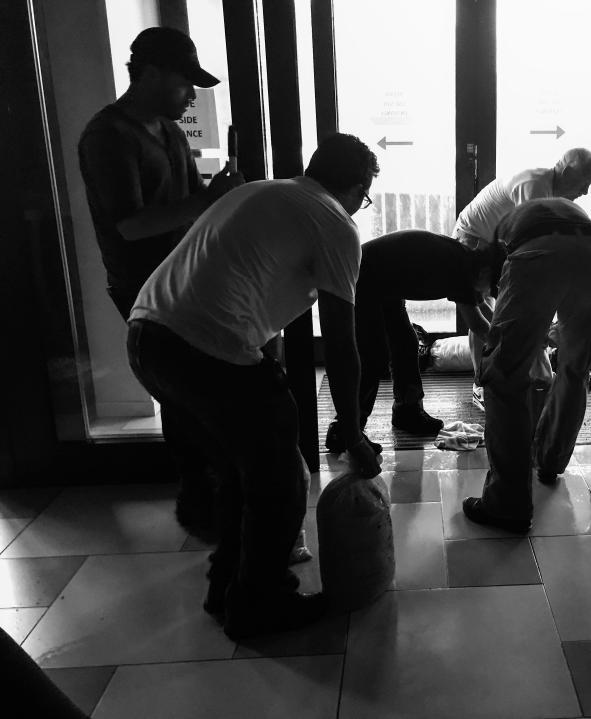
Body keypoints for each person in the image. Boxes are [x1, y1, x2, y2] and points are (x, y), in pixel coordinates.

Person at [126, 133, 382, 639]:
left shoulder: (261, 192)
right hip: (205, 346)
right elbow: (340, 345)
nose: (361, 206)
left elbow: (248, 279)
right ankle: (258, 607)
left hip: (145, 338)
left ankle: (227, 588)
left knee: (241, 472)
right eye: (365, 196)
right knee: (282, 480)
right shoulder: (334, 222)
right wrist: (353, 435)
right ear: (356, 187)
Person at [78, 27, 244, 538]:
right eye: (184, 83)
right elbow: (129, 224)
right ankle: (201, 503)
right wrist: (208, 200)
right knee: (181, 393)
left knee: (193, 392)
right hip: (141, 288)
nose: (192, 96)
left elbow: (191, 209)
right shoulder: (107, 136)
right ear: (149, 73)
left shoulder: (169, 131)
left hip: (183, 278)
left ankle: (209, 497)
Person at [461, 198, 591, 533]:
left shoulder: (500, 246)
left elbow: (509, 305)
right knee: (575, 368)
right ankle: (549, 460)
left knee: (504, 378)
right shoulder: (541, 210)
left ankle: (507, 505)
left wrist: (507, 349)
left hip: (541, 252)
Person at [327, 229, 505, 446]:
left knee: (406, 343)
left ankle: (407, 412)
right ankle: (345, 429)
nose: (490, 293)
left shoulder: (469, 262)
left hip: (386, 284)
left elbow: (486, 315)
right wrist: (511, 347)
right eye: (493, 287)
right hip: (362, 277)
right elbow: (478, 325)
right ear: (486, 272)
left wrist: (508, 334)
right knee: (373, 354)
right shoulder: (464, 270)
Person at [453, 148, 591, 410]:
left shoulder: (551, 191)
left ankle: (506, 375)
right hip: (474, 239)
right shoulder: (534, 186)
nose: (586, 193)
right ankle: (481, 384)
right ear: (567, 172)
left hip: (496, 243)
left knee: (501, 313)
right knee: (481, 312)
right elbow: (531, 246)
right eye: (585, 183)